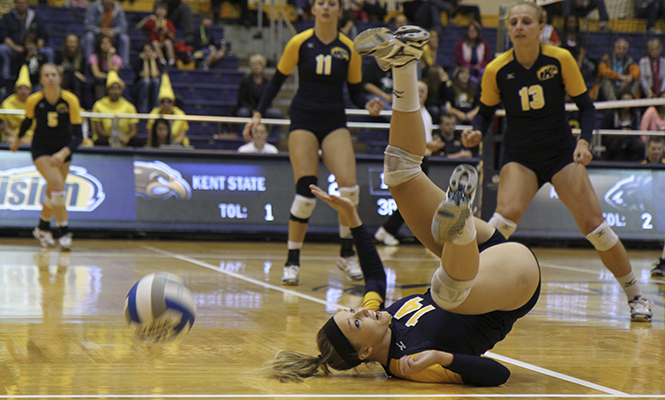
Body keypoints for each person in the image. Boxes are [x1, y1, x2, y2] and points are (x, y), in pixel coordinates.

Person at [269, 26, 541, 384]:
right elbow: (498, 375)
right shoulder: (407, 362)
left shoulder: (380, 316)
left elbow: (375, 276)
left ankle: (403, 63)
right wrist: (445, 358)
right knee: (446, 293)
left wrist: (352, 218)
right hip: (513, 281)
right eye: (356, 322)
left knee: (398, 173)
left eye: (355, 312)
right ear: (365, 352)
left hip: (478, 254)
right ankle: (458, 225)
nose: (363, 313)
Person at [461, 2, 652, 322]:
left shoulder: (560, 59)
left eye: (526, 21)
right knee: (503, 220)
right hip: (520, 154)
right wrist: (475, 133)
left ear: (540, 28)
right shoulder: (497, 69)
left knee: (596, 227)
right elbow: (483, 114)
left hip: (561, 152)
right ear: (508, 29)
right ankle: (466, 289)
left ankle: (635, 296)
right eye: (514, 23)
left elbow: (588, 108)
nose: (519, 27)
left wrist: (584, 142)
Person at [242, 0, 383, 286]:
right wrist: (257, 114)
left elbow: (355, 91)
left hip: (334, 121)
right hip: (303, 120)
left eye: (332, 3)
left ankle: (346, 255)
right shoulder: (299, 42)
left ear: (339, 10)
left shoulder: (349, 48)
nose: (327, 7)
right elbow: (276, 81)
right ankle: (292, 261)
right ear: (314, 10)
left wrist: (369, 103)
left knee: (350, 191)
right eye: (321, 3)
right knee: (305, 194)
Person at [9, 63, 83, 251]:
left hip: (63, 149)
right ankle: (63, 231)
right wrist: (17, 139)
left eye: (53, 75)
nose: (50, 78)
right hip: (41, 149)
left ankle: (42, 228)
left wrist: (64, 152)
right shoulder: (34, 100)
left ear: (59, 79)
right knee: (58, 186)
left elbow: (79, 135)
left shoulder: (70, 100)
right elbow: (27, 121)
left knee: (53, 192)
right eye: (46, 75)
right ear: (41, 80)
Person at [374, 80, 443, 246]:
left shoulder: (427, 113)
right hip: (411, 162)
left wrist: (431, 144)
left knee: (415, 203)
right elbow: (410, 138)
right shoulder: (409, 111)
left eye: (423, 91)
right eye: (417, 90)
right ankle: (387, 230)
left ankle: (387, 231)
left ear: (427, 95)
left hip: (423, 160)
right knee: (413, 202)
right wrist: (428, 145)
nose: (420, 94)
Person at [0, 0, 54, 87]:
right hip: (15, 47)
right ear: (15, 4)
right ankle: (5, 76)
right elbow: (3, 35)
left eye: (24, 3)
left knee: (49, 52)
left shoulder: (35, 17)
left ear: (28, 4)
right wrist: (14, 47)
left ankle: (49, 73)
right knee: (2, 49)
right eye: (19, 3)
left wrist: (37, 47)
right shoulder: (7, 17)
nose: (22, 5)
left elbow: (43, 35)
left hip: (33, 46)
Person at [235, 54, 283, 136]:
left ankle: (272, 140)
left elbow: (269, 100)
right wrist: (254, 111)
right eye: (254, 64)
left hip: (263, 110)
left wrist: (260, 110)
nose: (256, 66)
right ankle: (244, 138)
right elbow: (241, 100)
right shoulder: (245, 82)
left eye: (259, 64)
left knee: (277, 114)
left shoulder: (268, 83)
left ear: (263, 66)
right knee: (242, 112)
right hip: (249, 109)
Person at [90, 71, 139, 147]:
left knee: (136, 141)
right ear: (107, 90)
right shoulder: (98, 105)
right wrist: (113, 137)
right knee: (100, 141)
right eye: (112, 88)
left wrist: (127, 137)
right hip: (106, 138)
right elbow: (99, 130)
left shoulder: (129, 107)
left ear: (121, 90)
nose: (115, 92)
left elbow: (133, 130)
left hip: (124, 139)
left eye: (117, 88)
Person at [147, 73, 190, 147]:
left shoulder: (180, 114)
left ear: (173, 102)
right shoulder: (153, 114)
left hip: (177, 145)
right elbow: (151, 134)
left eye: (169, 101)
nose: (166, 104)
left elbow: (182, 134)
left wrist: (171, 146)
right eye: (163, 101)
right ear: (159, 103)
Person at [642, 137, 665, 277]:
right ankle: (663, 262)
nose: (656, 152)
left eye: (659, 148)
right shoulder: (642, 165)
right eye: (653, 148)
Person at [599, 91, 644, 161]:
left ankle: (636, 165)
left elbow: (635, 132)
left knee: (640, 145)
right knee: (620, 137)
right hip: (611, 138)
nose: (627, 102)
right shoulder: (612, 114)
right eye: (624, 100)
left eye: (629, 100)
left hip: (629, 139)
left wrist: (626, 142)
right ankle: (610, 162)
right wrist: (620, 131)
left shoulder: (635, 115)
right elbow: (603, 131)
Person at [82, 0, 130, 65]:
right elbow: (87, 25)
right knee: (89, 36)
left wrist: (114, 31)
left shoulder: (118, 8)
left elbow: (123, 26)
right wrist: (100, 30)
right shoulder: (93, 7)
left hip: (112, 37)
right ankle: (89, 63)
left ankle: (124, 65)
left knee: (124, 38)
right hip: (97, 35)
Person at [0, 65, 34, 144]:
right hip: (13, 135)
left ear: (30, 90)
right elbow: (6, 128)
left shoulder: (35, 102)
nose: (23, 91)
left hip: (31, 136)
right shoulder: (7, 103)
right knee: (10, 140)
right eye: (20, 88)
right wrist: (18, 138)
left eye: (26, 88)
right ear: (16, 89)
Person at [136, 2, 177, 67]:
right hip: (155, 43)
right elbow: (138, 27)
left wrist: (166, 30)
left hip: (165, 42)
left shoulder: (168, 23)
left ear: (166, 12)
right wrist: (148, 18)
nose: (160, 12)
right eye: (159, 9)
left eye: (163, 10)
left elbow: (173, 37)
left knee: (168, 42)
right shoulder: (153, 21)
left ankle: (172, 61)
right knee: (155, 43)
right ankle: (162, 61)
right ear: (155, 11)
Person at [558, 15, 595, 83]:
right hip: (565, 60)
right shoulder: (562, 35)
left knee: (590, 66)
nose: (572, 24)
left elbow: (582, 50)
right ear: (566, 23)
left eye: (573, 22)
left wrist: (579, 63)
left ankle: (577, 82)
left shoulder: (580, 36)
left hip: (577, 59)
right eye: (569, 22)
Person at [55, 34, 87, 107]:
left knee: (75, 80)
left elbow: (83, 76)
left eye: (74, 42)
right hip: (63, 80)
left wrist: (69, 72)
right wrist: (73, 72)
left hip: (76, 82)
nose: (72, 45)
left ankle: (77, 105)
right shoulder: (59, 55)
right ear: (65, 43)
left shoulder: (81, 57)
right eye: (70, 42)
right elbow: (57, 69)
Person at [132, 43, 163, 114]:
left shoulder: (156, 61)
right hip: (138, 88)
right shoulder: (137, 62)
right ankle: (143, 111)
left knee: (155, 81)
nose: (148, 53)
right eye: (145, 51)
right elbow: (145, 75)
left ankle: (155, 109)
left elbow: (154, 75)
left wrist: (152, 60)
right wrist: (145, 61)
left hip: (153, 87)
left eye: (150, 51)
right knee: (146, 81)